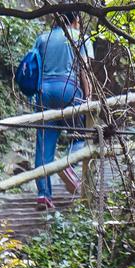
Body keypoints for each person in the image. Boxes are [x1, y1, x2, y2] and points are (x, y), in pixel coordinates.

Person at [29, 23, 95, 204]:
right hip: (69, 90)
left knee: (44, 143)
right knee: (80, 135)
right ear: (74, 20)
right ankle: (68, 165)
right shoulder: (79, 37)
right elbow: (84, 69)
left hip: (45, 92)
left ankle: (43, 194)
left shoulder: (43, 38)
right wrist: (88, 96)